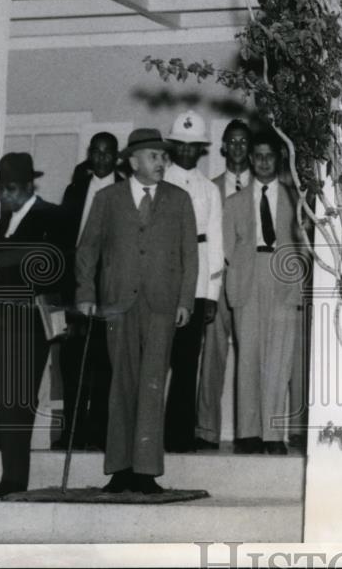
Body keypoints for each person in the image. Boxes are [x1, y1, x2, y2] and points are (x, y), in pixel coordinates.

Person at [75, 128, 198, 494]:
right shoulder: (108, 199)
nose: (162, 162)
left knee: (152, 384)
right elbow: (87, 249)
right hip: (117, 303)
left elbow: (190, 256)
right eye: (154, 156)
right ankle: (120, 469)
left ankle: (146, 471)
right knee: (120, 385)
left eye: (164, 157)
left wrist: (185, 301)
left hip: (162, 304)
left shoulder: (180, 199)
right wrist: (85, 292)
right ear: (133, 161)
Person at [0, 153, 62, 498]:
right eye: (2, 189)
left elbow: (60, 270)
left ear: (29, 185)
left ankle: (14, 480)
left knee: (16, 401)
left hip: (28, 323)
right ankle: (11, 434)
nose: (6, 195)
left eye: (12, 188)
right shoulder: (4, 221)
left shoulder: (51, 215)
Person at [224, 132, 306, 455]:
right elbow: (228, 248)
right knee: (248, 358)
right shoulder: (235, 202)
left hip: (283, 277)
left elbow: (304, 244)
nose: (262, 162)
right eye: (257, 156)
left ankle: (273, 435)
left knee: (279, 358)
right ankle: (247, 433)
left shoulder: (295, 198)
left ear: (279, 159)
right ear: (250, 159)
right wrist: (241, 271)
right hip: (248, 277)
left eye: (269, 156)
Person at [55, 132, 124, 452]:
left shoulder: (126, 189)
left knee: (104, 363)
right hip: (75, 288)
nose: (101, 159)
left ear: (116, 156)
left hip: (111, 287)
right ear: (90, 154)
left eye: (107, 153)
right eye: (95, 152)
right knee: (71, 363)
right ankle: (71, 432)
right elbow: (63, 241)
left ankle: (98, 433)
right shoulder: (75, 190)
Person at [162, 110, 224, 453]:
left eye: (193, 146)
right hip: (162, 279)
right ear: (173, 145)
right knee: (155, 360)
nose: (186, 152)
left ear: (201, 149)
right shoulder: (160, 181)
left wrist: (211, 293)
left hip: (197, 281)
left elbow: (215, 242)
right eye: (180, 145)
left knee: (187, 362)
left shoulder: (209, 189)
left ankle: (179, 435)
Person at [196, 118, 253, 451]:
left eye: (243, 142)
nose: (237, 148)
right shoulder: (210, 188)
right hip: (217, 284)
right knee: (212, 358)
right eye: (232, 142)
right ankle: (205, 431)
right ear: (223, 147)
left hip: (249, 288)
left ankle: (249, 433)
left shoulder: (265, 189)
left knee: (249, 359)